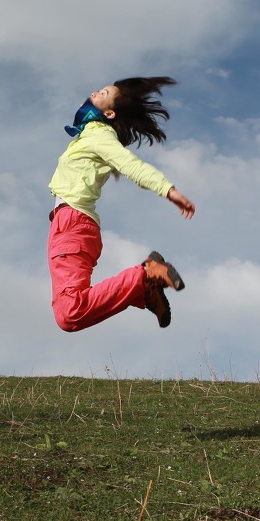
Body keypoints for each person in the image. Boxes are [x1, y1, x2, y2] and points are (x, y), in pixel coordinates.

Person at [47, 77, 195, 331]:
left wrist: (167, 190)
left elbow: (130, 165)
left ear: (110, 112)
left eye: (102, 93)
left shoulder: (99, 135)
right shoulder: (90, 136)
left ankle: (145, 276)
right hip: (71, 224)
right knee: (67, 313)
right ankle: (145, 291)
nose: (93, 91)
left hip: (72, 222)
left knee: (70, 313)